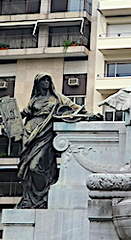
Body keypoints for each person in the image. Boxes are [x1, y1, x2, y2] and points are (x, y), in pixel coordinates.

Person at [16, 73, 87, 209]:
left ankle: (42, 195)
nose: (46, 82)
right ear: (38, 83)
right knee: (28, 168)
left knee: (35, 166)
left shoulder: (57, 98)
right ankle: (31, 199)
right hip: (30, 132)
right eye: (43, 80)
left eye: (48, 79)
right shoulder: (34, 100)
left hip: (46, 132)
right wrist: (8, 123)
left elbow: (75, 108)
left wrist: (89, 114)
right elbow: (22, 114)